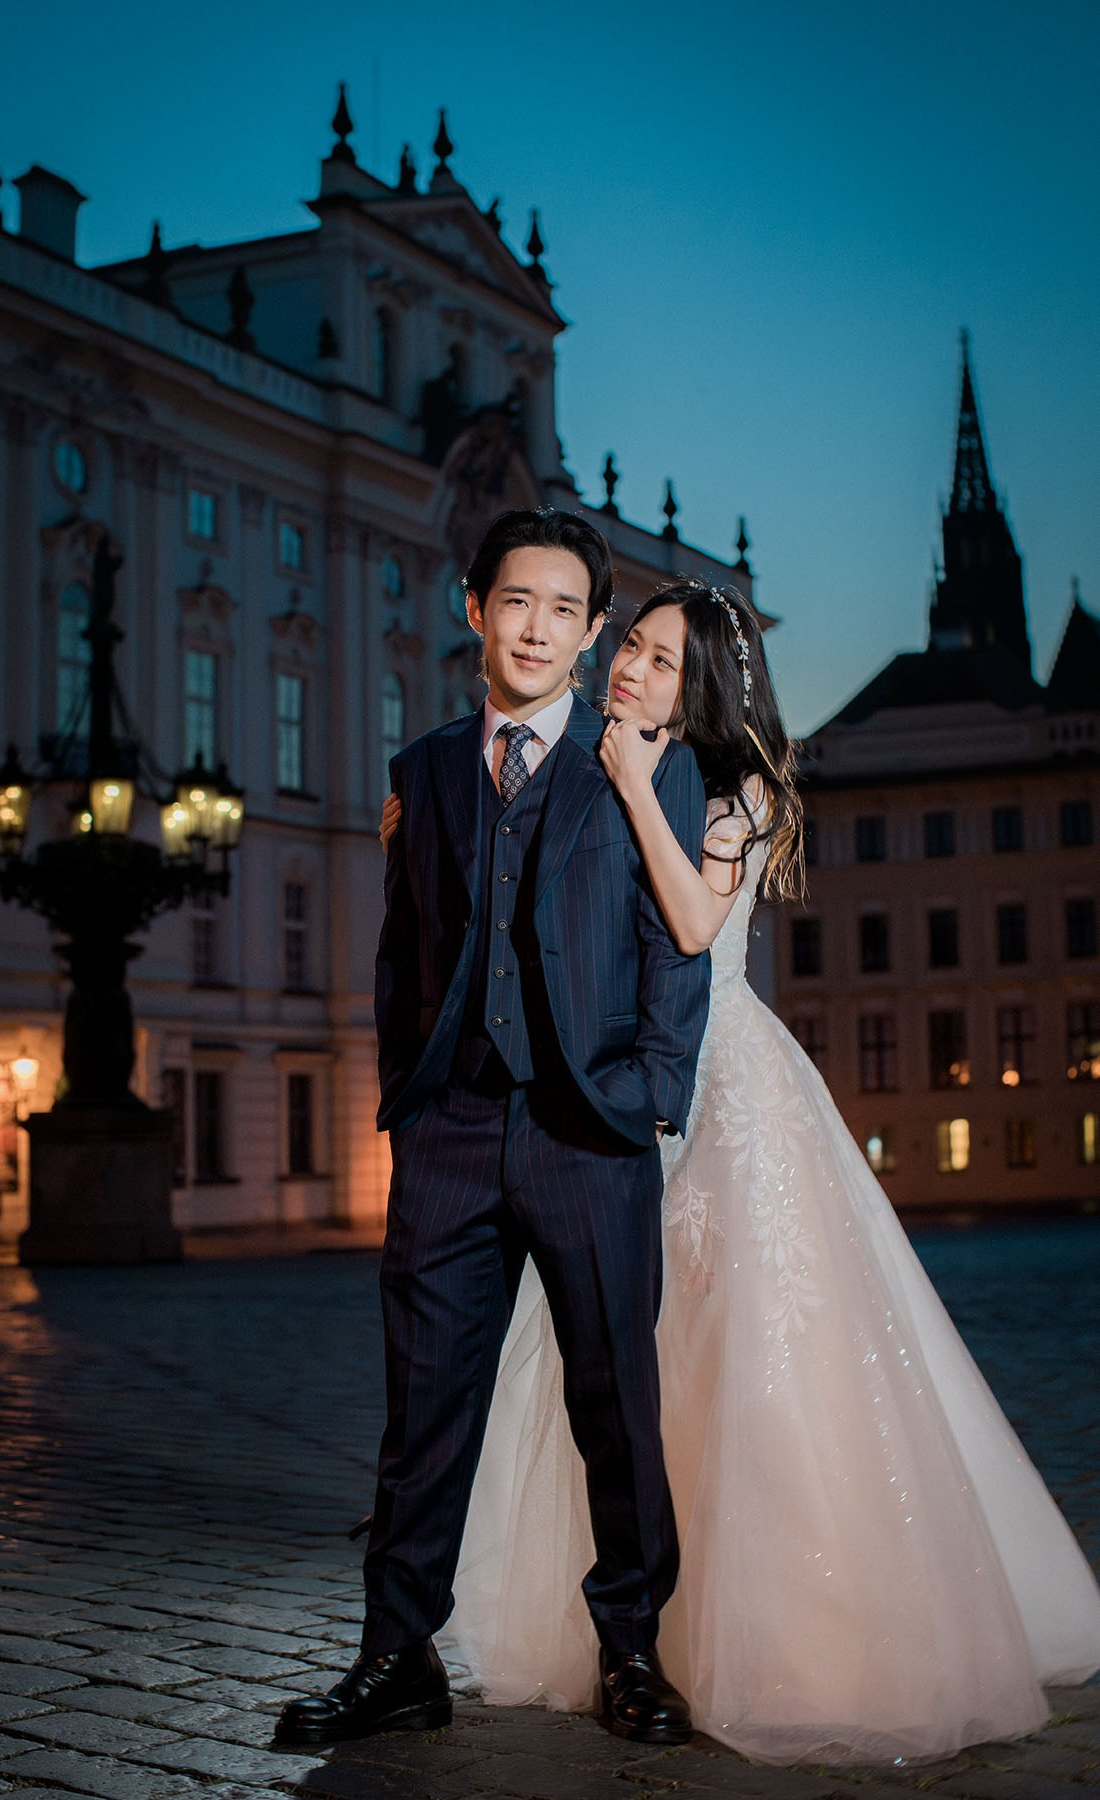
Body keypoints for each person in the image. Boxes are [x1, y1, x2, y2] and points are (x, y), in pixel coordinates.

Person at [387, 579, 1100, 1766]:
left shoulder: (737, 788)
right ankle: (643, 1633)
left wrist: (628, 784)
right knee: (633, 1364)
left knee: (758, 1354)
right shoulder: (591, 762)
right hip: (613, 1090)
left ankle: (786, 1633)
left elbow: (690, 926)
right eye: (631, 647)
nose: (630, 669)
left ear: (704, 685)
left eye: (662, 660)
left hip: (725, 1090)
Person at [272, 511, 711, 1750]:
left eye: (565, 610)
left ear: (591, 631)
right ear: (475, 609)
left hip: (591, 1127)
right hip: (452, 1130)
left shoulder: (644, 763)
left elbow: (674, 946)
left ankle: (631, 1651)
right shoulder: (421, 771)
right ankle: (396, 1655)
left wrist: (651, 1091)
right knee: (424, 1403)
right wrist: (408, 1099)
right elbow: (402, 952)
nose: (537, 629)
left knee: (613, 1400)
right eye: (517, 602)